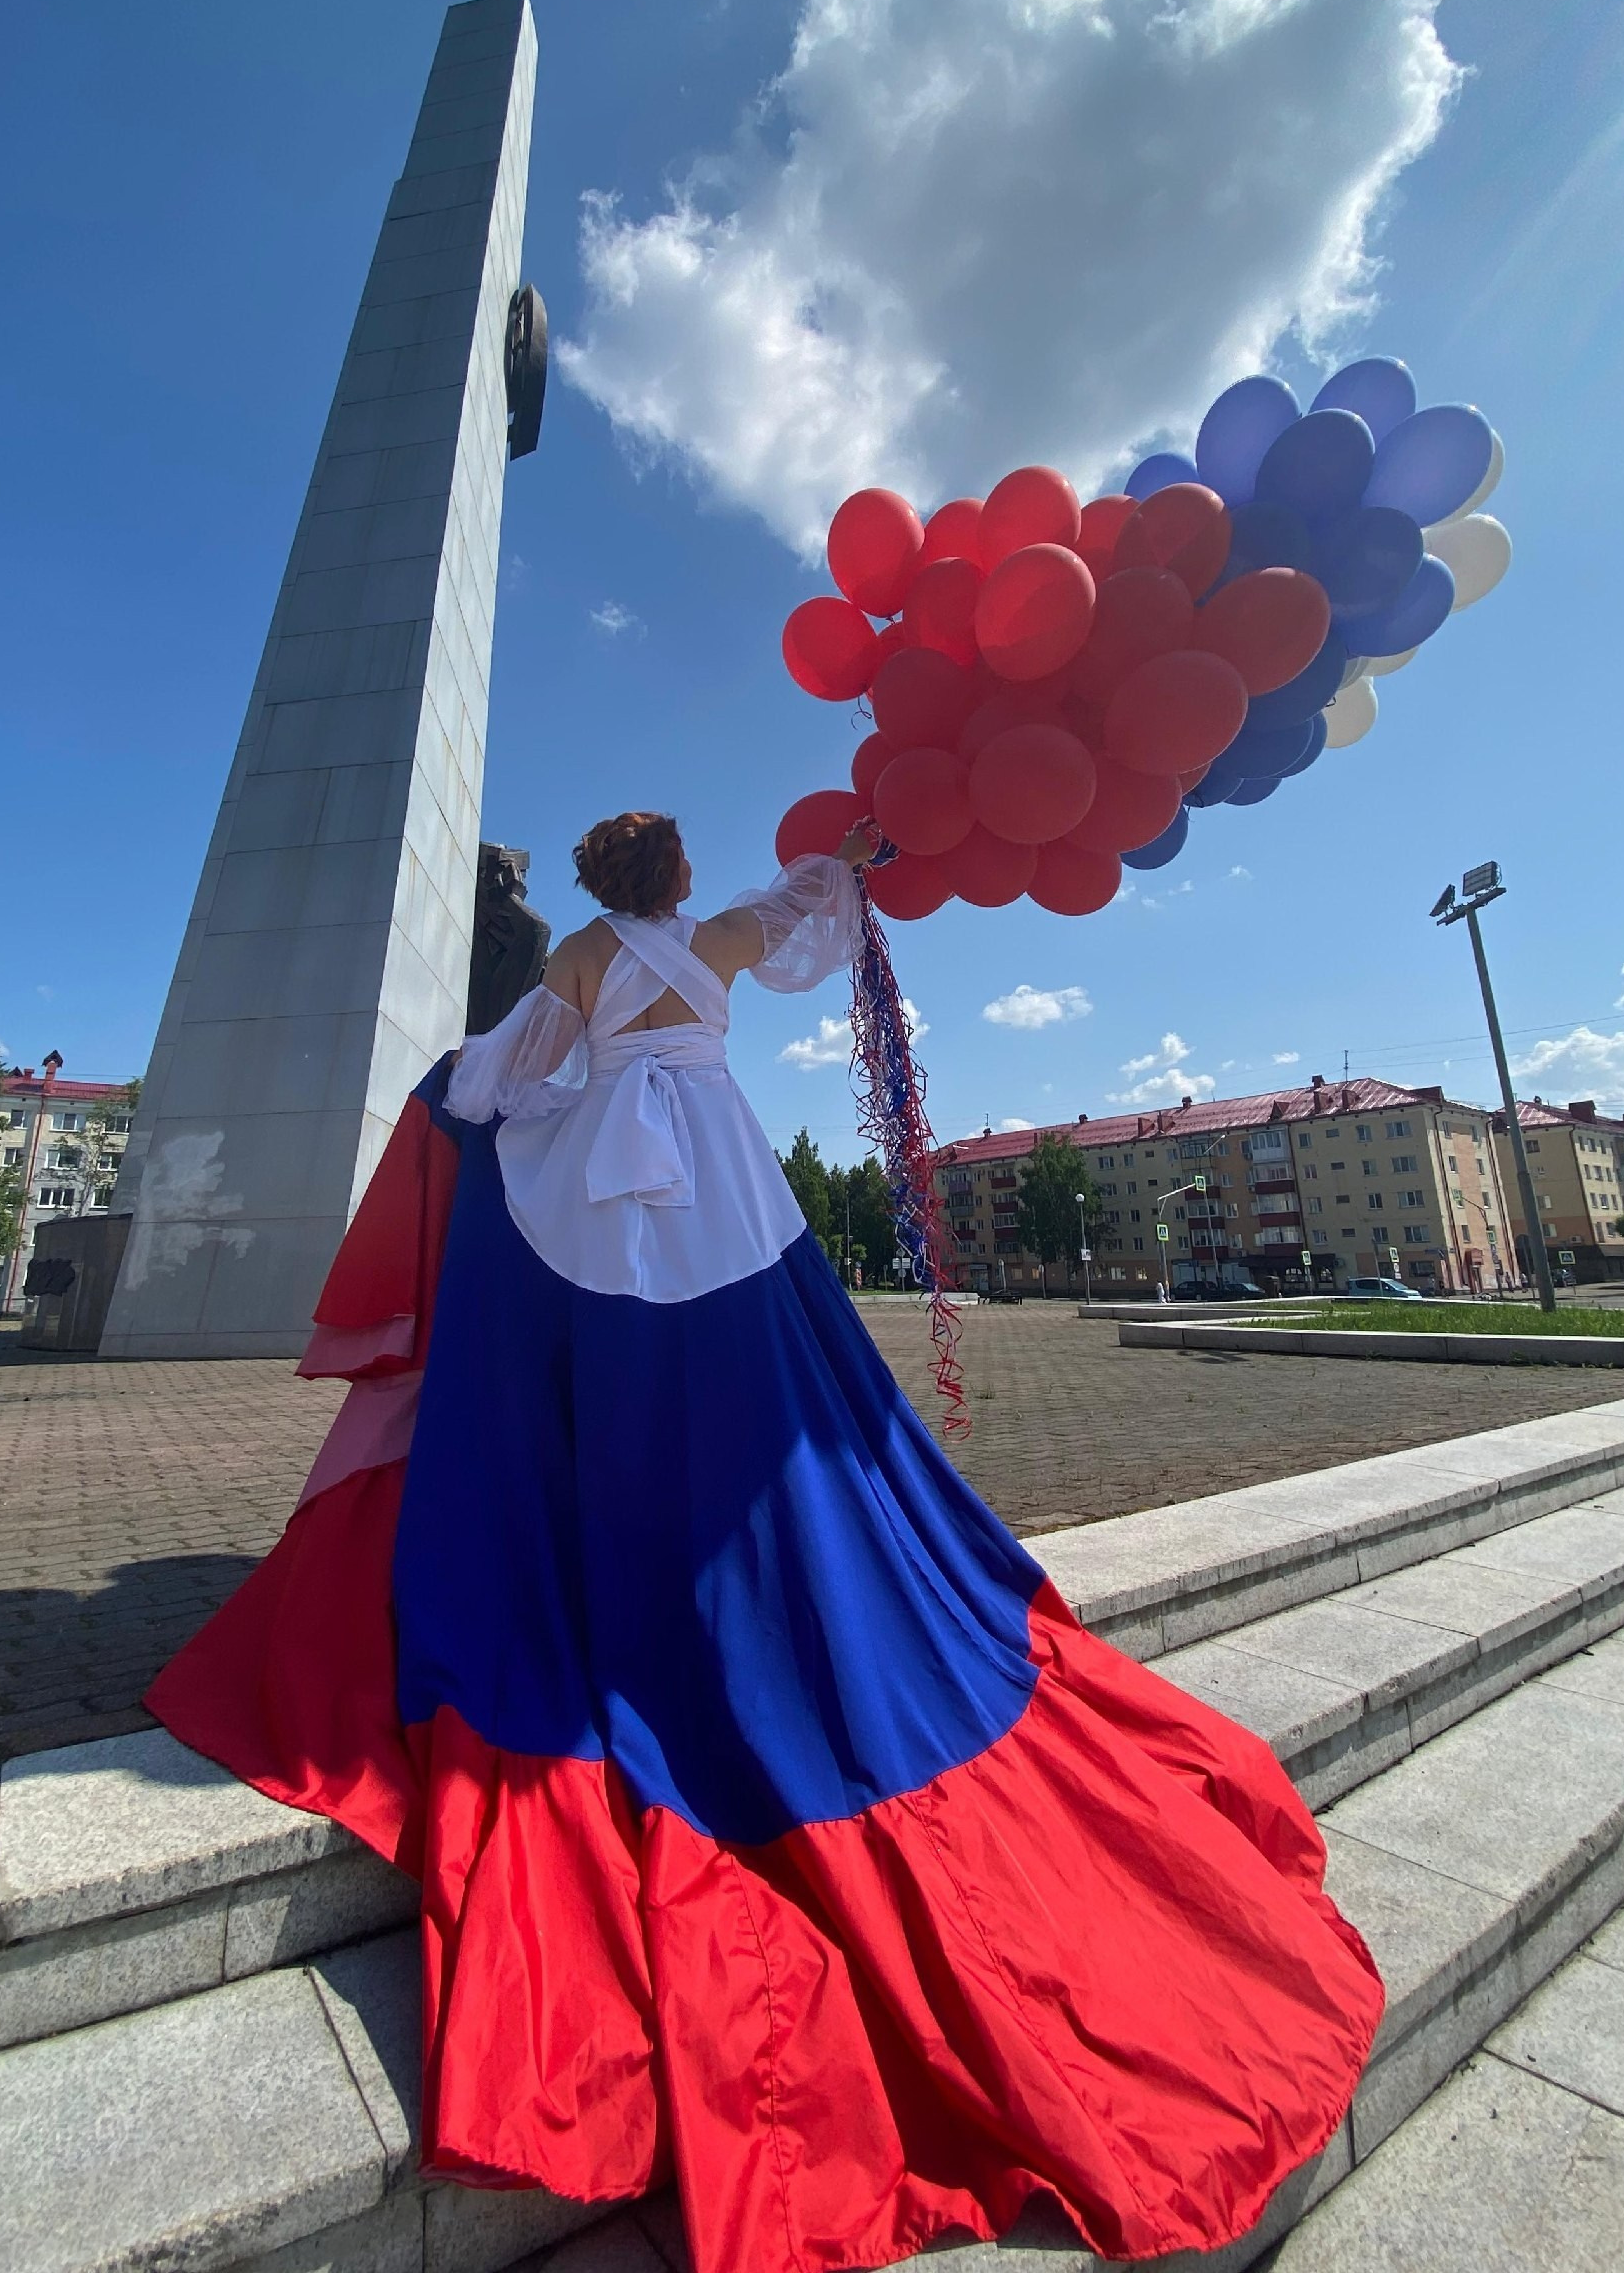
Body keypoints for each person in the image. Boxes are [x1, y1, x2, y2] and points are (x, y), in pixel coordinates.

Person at [148, 812, 1382, 2273]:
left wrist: (457, 1092)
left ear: (602, 888)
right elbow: (808, 918)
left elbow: (510, 1075)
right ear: (671, 876)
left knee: (584, 1376)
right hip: (725, 1190)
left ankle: (595, 1538)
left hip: (595, 1199)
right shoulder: (712, 940)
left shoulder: (590, 957)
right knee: (768, 1391)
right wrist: (855, 861)